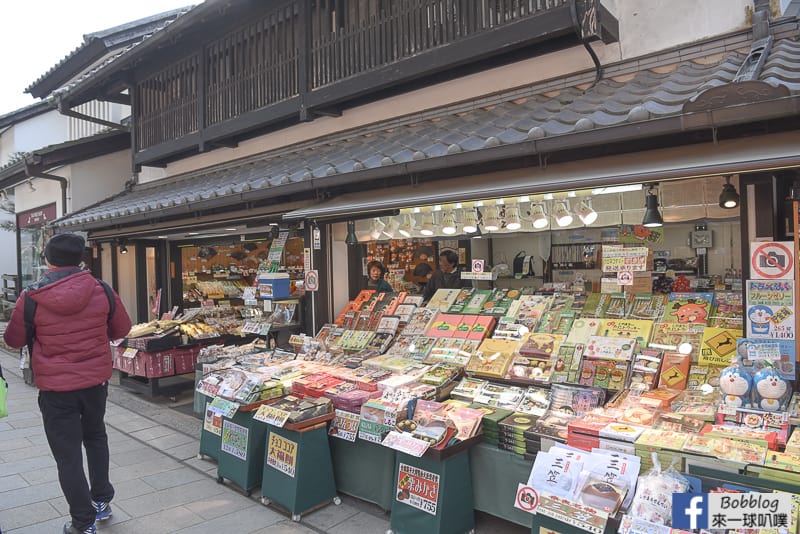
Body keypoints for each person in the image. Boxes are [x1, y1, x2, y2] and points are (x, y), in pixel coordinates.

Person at [3, 233, 132, 534]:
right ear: (80, 260)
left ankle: (83, 523)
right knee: (96, 438)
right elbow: (122, 329)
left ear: (47, 260)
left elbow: (13, 339)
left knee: (68, 454)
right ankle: (101, 503)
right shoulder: (102, 289)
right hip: (95, 383)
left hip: (55, 389)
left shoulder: (31, 296)